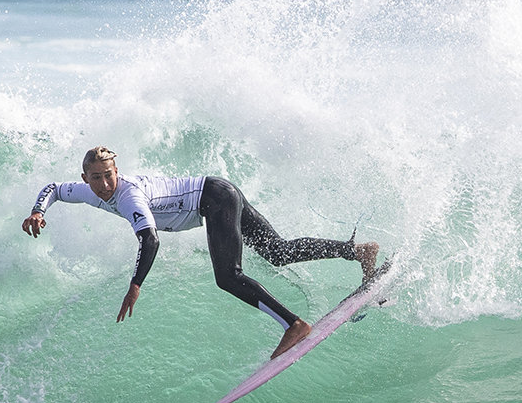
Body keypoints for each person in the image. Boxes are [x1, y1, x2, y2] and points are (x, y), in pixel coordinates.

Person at [21, 146, 379, 360]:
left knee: (228, 276)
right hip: (220, 189)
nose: (103, 184)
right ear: (85, 179)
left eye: (108, 176)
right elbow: (53, 188)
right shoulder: (86, 191)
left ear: (118, 172)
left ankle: (294, 324)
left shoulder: (129, 196)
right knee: (278, 252)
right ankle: (358, 251)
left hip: (214, 198)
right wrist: (39, 211)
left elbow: (151, 240)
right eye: (95, 178)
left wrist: (135, 285)